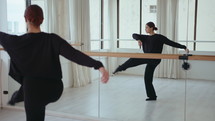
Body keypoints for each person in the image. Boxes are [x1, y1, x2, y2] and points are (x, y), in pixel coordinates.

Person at [0, 5, 109, 121]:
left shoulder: (16, 42)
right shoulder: (52, 39)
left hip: (33, 89)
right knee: (31, 87)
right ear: (42, 20)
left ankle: (17, 96)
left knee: (30, 84)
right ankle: (18, 96)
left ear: (25, 19)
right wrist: (99, 66)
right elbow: (74, 54)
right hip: (54, 89)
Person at [113, 22, 189, 101]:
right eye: (145, 27)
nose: (145, 29)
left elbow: (171, 43)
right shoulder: (145, 37)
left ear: (152, 28)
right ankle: (152, 96)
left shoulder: (159, 37)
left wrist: (184, 47)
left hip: (155, 59)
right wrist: (138, 40)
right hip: (148, 58)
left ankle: (121, 68)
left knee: (135, 58)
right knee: (147, 78)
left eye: (146, 27)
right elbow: (134, 35)